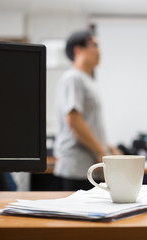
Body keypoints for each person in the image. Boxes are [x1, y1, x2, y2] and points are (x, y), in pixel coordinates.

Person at [54, 30, 120, 191]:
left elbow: (90, 122)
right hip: (78, 167)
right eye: (94, 45)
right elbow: (74, 119)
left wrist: (109, 147)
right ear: (78, 50)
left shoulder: (88, 80)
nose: (99, 51)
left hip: (89, 165)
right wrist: (102, 152)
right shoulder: (73, 78)